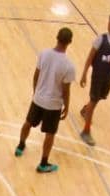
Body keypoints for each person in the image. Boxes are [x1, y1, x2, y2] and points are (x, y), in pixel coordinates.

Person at [15, 28, 76, 174]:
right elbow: (66, 90)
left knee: (28, 123)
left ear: (57, 37)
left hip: (38, 99)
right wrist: (67, 107)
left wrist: (36, 92)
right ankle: (43, 164)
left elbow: (36, 76)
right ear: (70, 42)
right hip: (53, 105)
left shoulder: (44, 54)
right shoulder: (69, 65)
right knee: (50, 134)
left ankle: (20, 146)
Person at [78, 13, 110, 146]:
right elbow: (90, 57)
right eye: (109, 24)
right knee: (94, 100)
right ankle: (86, 131)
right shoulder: (101, 39)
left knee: (100, 97)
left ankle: (85, 110)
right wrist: (84, 73)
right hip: (98, 76)